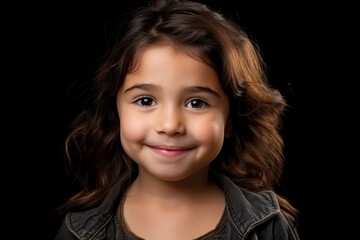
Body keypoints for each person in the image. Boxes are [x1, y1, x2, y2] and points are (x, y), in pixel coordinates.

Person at [54, 0, 300, 239]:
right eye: (146, 101)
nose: (170, 125)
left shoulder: (269, 227)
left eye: (196, 103)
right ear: (115, 111)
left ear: (231, 120)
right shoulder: (81, 232)